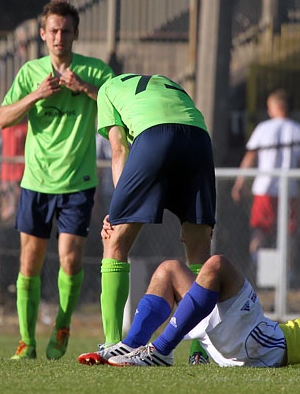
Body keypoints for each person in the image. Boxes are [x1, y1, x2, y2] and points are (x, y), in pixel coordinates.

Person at [78, 254, 300, 370]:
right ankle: (132, 346)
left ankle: (159, 352)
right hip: (249, 341)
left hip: (264, 344)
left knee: (218, 265)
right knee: (170, 270)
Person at [0, 0, 113, 361]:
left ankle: (63, 323)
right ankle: (26, 341)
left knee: (69, 260)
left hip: (78, 182)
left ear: (75, 34)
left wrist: (86, 90)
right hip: (36, 182)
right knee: (29, 263)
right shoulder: (31, 73)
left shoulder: (95, 72)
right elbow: (3, 119)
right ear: (43, 34)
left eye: (66, 30)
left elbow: (120, 111)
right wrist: (36, 95)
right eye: (54, 30)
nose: (59, 36)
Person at [77, 73, 217, 366]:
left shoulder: (106, 90)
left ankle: (113, 342)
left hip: (155, 136)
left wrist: (118, 209)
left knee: (115, 240)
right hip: (199, 138)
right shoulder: (165, 82)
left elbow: (119, 148)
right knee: (199, 250)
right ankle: (201, 351)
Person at [230, 89, 300, 282]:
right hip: (290, 190)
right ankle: (287, 272)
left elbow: (250, 156)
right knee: (290, 233)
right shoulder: (299, 130)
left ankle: (256, 269)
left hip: (264, 188)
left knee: (260, 230)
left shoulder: (263, 128)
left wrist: (239, 182)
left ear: (276, 107)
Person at [0, 119, 28, 222]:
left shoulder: (25, 128)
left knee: (17, 205)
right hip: (6, 174)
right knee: (7, 205)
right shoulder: (6, 128)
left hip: (19, 173)